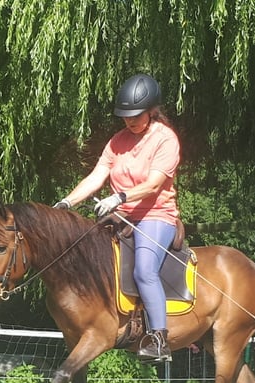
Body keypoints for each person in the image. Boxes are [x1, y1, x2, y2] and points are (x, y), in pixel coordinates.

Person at [53, 73, 181, 362]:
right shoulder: (117, 141)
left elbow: (153, 184)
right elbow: (97, 176)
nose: (129, 121)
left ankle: (159, 338)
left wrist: (120, 197)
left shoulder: (165, 140)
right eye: (125, 116)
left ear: (152, 111)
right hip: (120, 217)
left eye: (135, 115)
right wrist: (67, 201)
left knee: (144, 271)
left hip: (155, 216)